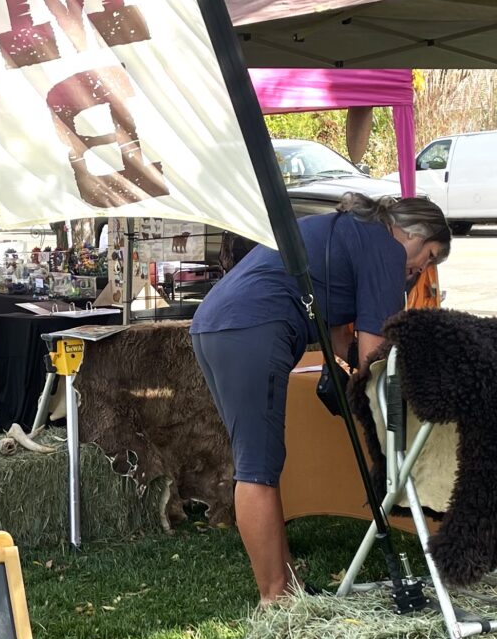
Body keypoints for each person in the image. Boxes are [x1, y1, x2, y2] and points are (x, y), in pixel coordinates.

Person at [191, 192, 451, 604]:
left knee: (257, 461)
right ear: (409, 231)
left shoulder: (350, 229)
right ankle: (276, 597)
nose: (423, 270)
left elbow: (339, 335)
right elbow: (376, 356)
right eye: (430, 255)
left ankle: (286, 581)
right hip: (254, 327)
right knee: (258, 466)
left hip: (215, 325)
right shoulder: (385, 248)